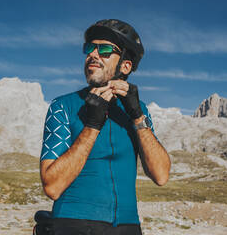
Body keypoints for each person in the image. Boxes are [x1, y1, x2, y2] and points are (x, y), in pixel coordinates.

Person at [37, 19, 171, 235]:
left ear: (126, 66)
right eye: (90, 48)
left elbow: (161, 175)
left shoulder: (139, 110)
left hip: (128, 227)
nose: (93, 54)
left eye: (105, 49)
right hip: (73, 223)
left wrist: (137, 116)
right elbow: (52, 186)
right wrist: (91, 125)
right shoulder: (63, 106)